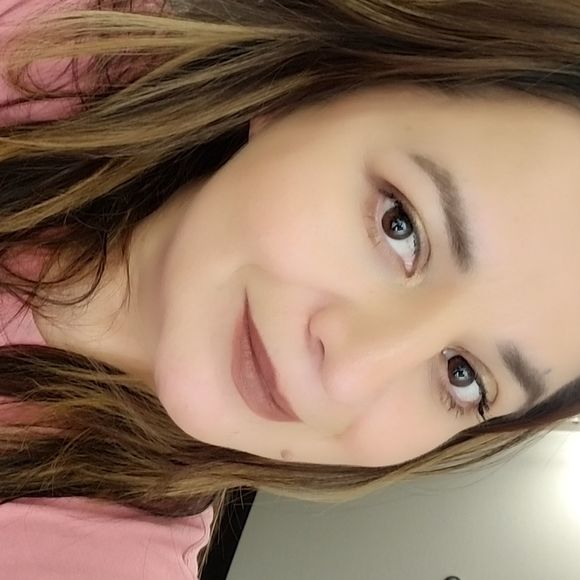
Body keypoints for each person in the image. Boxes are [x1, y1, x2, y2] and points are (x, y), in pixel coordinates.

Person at [1, 0, 580, 577]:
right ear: (304, 91)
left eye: (463, 374)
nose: (349, 376)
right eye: (399, 225)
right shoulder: (60, 30)